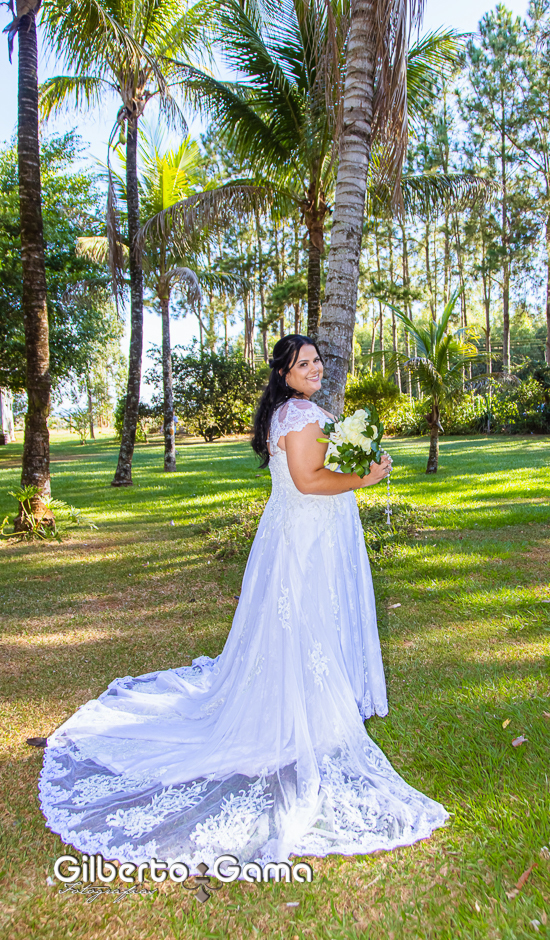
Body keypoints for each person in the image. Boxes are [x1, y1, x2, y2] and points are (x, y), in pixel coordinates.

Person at [39, 335, 448, 873]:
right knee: (306, 621)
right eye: (303, 363)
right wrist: (364, 477)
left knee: (301, 625)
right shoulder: (299, 414)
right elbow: (308, 480)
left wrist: (362, 456)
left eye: (317, 361)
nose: (315, 368)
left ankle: (309, 706)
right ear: (284, 373)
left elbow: (317, 467)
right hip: (306, 537)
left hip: (302, 532)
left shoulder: (295, 412)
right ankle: (305, 717)